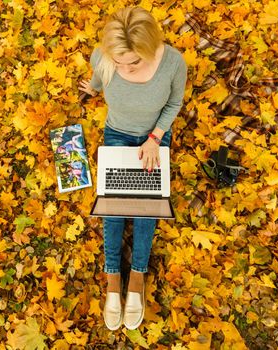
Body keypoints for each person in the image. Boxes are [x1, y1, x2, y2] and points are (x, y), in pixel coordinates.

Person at [79, 7, 187, 330]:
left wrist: (156, 138)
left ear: (150, 47)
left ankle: (137, 275)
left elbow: (174, 104)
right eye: (119, 62)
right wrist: (94, 87)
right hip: (116, 133)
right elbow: (100, 72)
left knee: (145, 206)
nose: (124, 68)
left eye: (133, 63)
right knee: (112, 205)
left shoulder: (172, 64)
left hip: (153, 137)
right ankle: (113, 276)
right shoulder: (104, 57)